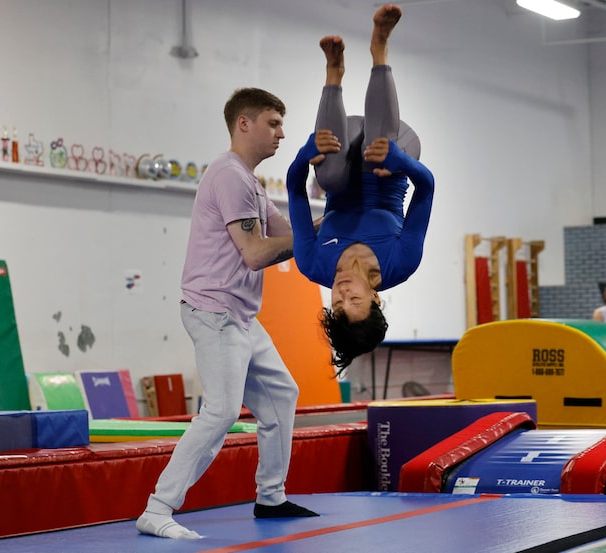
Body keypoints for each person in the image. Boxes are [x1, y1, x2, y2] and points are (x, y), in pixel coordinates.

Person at [136, 88, 318, 541]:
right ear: (244, 123)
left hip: (239, 316)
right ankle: (157, 508)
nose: (281, 133)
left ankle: (270, 498)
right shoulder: (229, 176)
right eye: (273, 123)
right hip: (214, 310)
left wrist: (344, 219)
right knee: (219, 412)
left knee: (281, 394)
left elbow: (293, 234)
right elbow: (257, 253)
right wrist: (316, 239)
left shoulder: (252, 183)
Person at [286, 4, 435, 371]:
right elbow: (426, 189)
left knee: (329, 178)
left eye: (338, 305)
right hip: (393, 148)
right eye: (354, 302)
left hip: (342, 145)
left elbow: (295, 192)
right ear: (375, 299)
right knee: (378, 159)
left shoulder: (313, 264)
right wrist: (404, 163)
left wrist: (304, 156)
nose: (342, 294)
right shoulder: (401, 264)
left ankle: (333, 74)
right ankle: (380, 49)